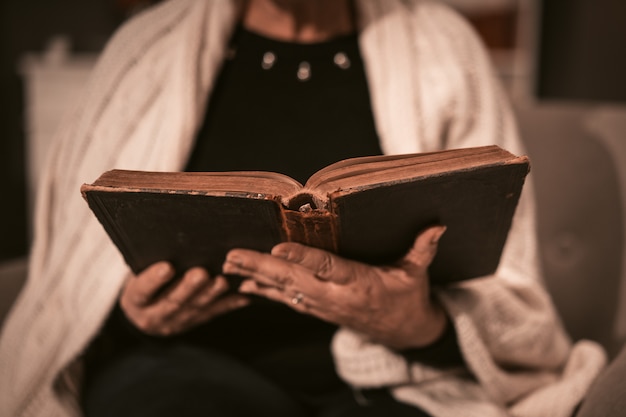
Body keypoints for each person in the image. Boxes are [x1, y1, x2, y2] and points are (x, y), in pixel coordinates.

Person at [0, 0, 608, 416]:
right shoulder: (143, 51)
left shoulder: (443, 46)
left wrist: (419, 324)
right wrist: (132, 317)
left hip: (398, 380)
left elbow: (510, 283)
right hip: (185, 365)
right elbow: (76, 277)